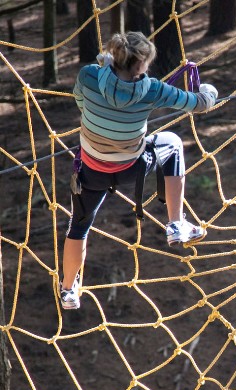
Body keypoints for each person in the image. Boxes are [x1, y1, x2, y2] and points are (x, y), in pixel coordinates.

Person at [59, 31, 218, 310]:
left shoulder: (89, 76)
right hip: (132, 168)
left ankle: (69, 290)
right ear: (142, 64)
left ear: (114, 57)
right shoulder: (154, 89)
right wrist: (209, 91)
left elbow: (80, 102)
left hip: (92, 170)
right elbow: (201, 103)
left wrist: (103, 74)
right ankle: (175, 223)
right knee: (173, 143)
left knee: (79, 226)